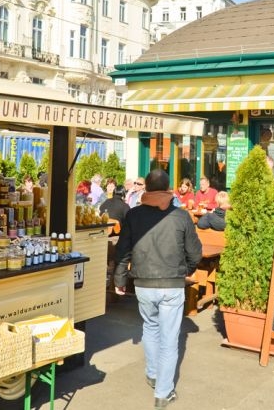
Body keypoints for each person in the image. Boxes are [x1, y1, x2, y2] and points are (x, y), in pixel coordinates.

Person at [114, 170, 202, 409]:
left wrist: (120, 279)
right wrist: (188, 269)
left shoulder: (133, 215)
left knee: (150, 328)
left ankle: (153, 375)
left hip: (143, 283)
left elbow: (122, 250)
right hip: (172, 283)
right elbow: (195, 252)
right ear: (168, 190)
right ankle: (163, 392)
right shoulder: (181, 216)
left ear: (147, 190)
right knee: (169, 338)